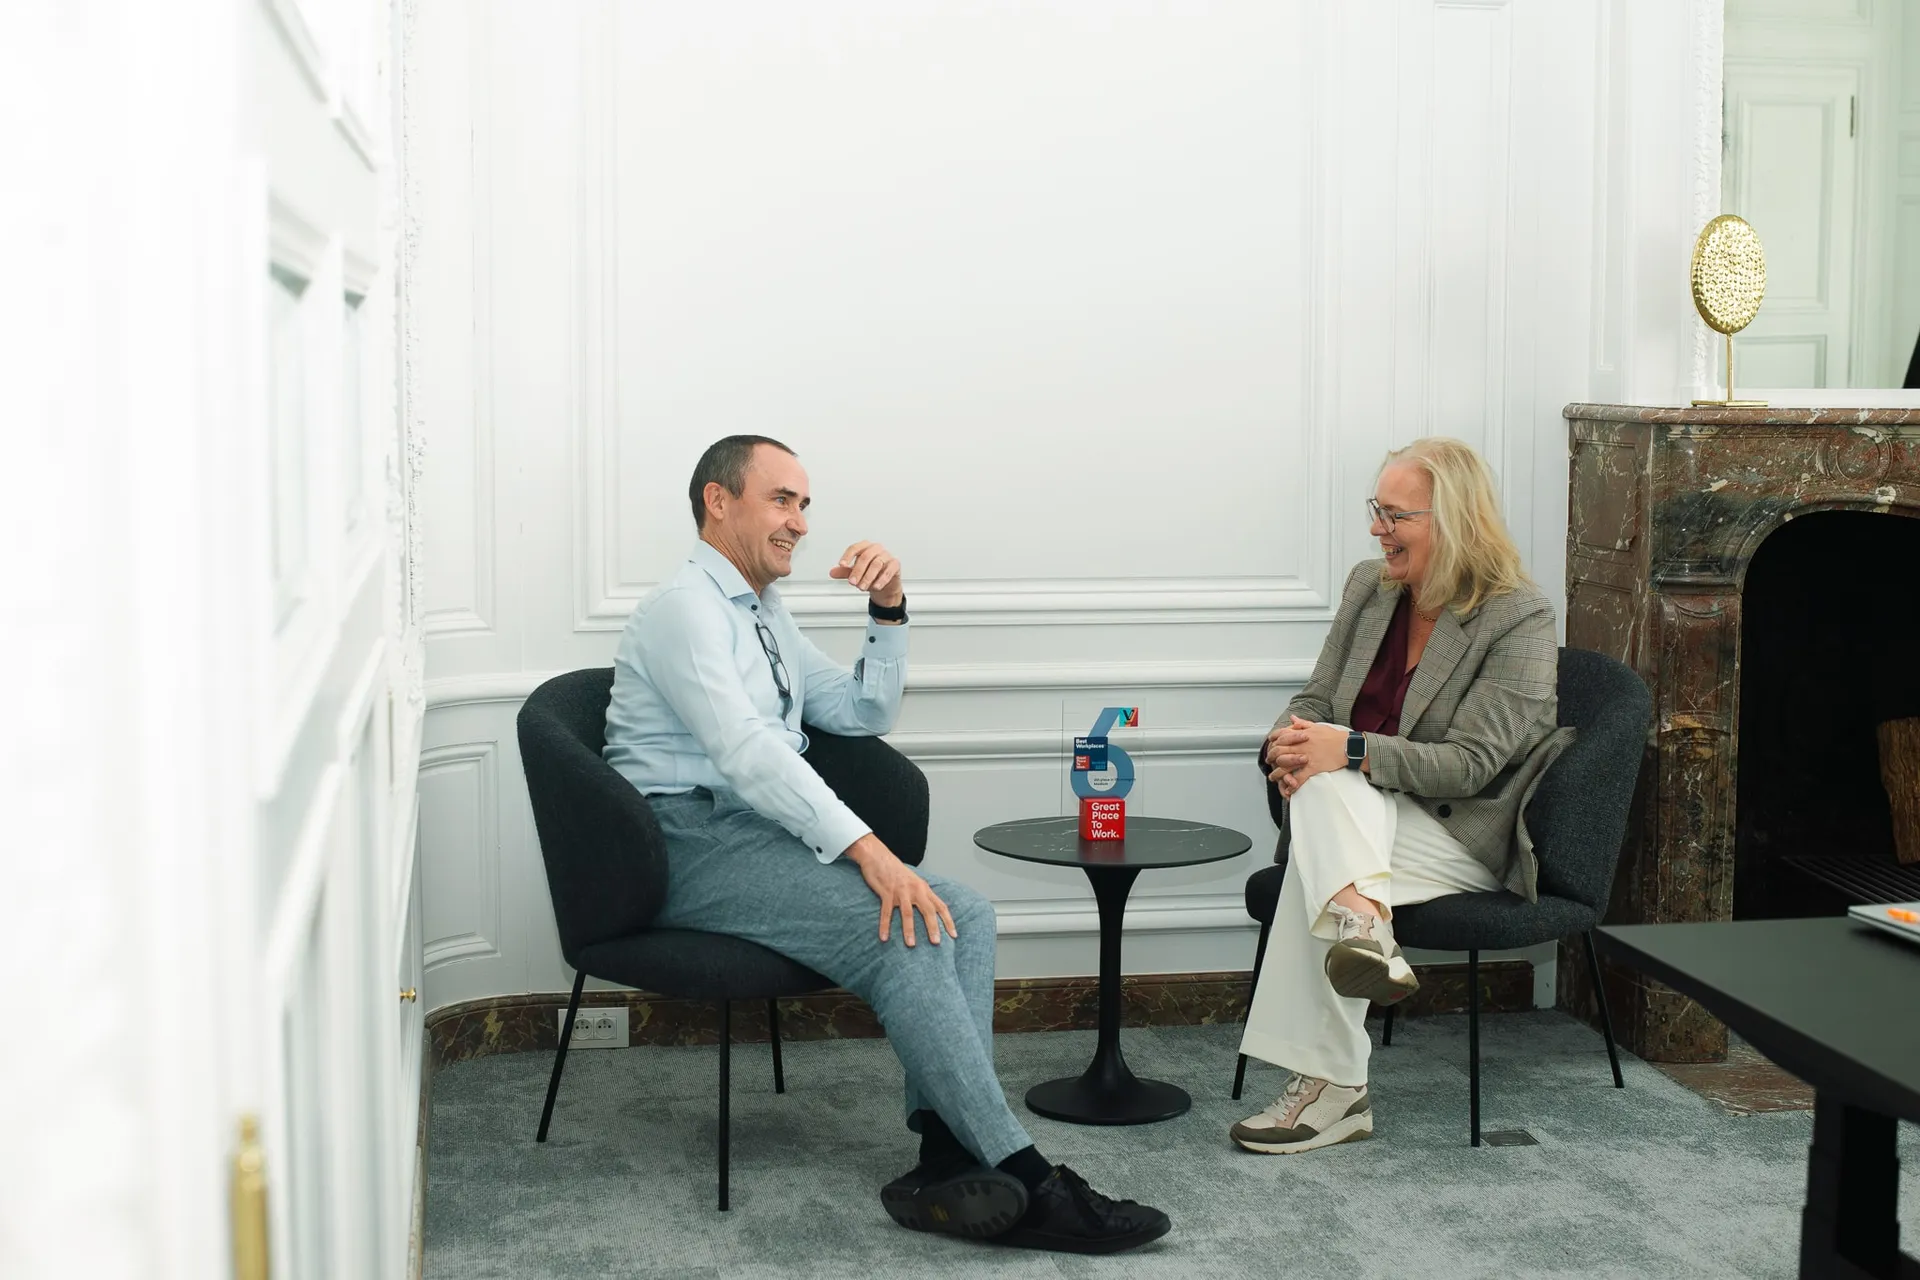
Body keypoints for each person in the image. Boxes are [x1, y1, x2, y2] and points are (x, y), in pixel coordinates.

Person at [603, 435, 1170, 1254]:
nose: (799, 521)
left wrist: (889, 608)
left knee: (962, 912)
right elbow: (746, 753)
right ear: (717, 503)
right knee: (902, 931)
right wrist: (869, 852)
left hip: (751, 832)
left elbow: (865, 711)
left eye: (804, 504)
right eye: (781, 500)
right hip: (682, 841)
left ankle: (947, 1158)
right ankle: (1030, 1177)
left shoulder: (761, 613)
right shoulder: (682, 611)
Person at [1232, 436, 1571, 1155]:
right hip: (1358, 819)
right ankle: (1363, 932)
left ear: (1452, 521)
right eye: (1375, 510)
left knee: (1323, 832)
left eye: (1395, 514)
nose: (1377, 529)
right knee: (1328, 791)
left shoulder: (1519, 618)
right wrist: (1290, 745)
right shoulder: (1371, 587)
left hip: (1460, 835)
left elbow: (1473, 765)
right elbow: (1315, 696)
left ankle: (1336, 1080)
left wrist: (1344, 750)